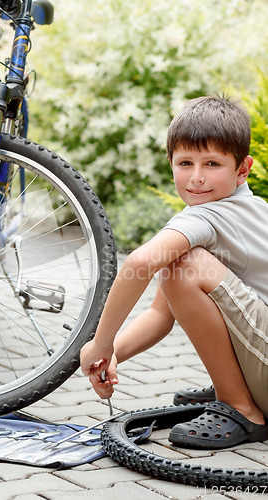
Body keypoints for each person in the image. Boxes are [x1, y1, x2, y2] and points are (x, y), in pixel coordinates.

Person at [80, 95, 268, 449]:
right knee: (181, 265)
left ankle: (241, 406)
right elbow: (159, 315)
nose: (196, 178)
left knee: (182, 266)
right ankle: (239, 387)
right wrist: (113, 354)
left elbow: (139, 263)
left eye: (212, 163)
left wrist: (100, 341)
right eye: (185, 162)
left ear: (242, 169)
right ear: (170, 164)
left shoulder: (208, 216)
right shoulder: (247, 207)